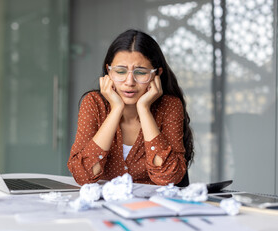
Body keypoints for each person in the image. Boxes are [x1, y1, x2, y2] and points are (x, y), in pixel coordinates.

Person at [68, 29, 194, 186]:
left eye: (140, 72)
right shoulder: (93, 103)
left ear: (157, 74)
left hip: (151, 208)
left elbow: (168, 177)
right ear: (108, 72)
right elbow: (83, 176)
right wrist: (116, 110)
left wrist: (144, 109)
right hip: (102, 206)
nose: (129, 82)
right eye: (120, 71)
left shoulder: (170, 106)